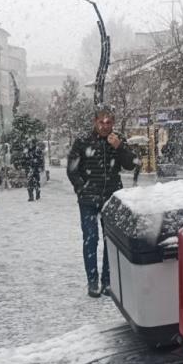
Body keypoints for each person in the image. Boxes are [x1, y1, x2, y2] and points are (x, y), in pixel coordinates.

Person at [67, 106, 138, 297]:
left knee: (110, 241)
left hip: (111, 200)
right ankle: (92, 282)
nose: (105, 126)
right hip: (88, 201)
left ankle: (108, 281)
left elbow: (131, 164)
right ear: (95, 122)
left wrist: (120, 147)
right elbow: (72, 169)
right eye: (101, 122)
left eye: (108, 122)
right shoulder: (83, 141)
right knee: (91, 240)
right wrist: (82, 189)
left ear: (113, 122)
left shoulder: (117, 139)